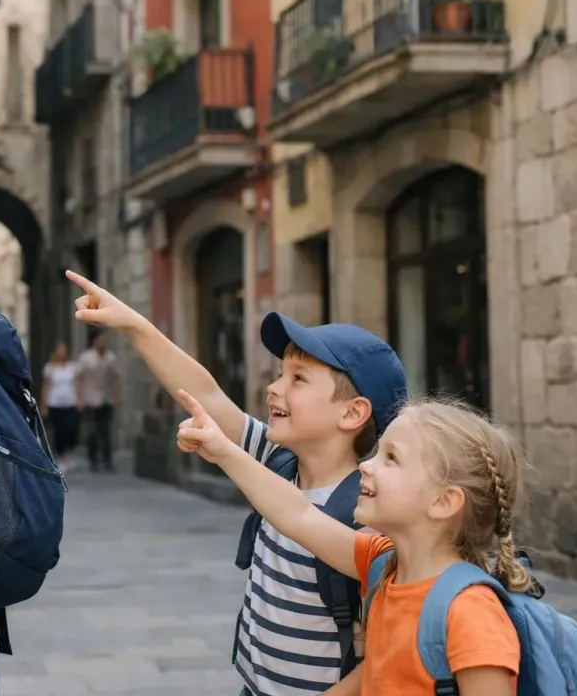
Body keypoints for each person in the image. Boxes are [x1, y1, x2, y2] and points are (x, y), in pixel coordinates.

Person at [66, 270, 407, 695]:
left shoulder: (367, 513)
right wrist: (134, 324)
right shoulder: (276, 461)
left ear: (353, 414)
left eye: (298, 379)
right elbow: (206, 395)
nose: (273, 387)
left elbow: (385, 656)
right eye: (281, 373)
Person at [175, 391, 526, 695]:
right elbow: (298, 514)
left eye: (391, 458)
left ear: (444, 502)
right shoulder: (383, 566)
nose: (366, 467)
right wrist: (224, 452)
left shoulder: (471, 613)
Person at [76, 329, 119, 472]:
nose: (102, 343)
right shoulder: (86, 358)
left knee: (106, 431)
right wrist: (80, 399)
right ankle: (93, 459)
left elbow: (114, 379)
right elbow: (79, 379)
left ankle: (107, 460)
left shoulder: (110, 358)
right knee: (92, 431)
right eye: (100, 340)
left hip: (105, 399)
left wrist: (115, 396)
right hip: (90, 399)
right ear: (94, 342)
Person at [41, 340, 81, 473]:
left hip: (70, 403)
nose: (61, 352)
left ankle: (68, 454)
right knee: (59, 431)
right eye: (59, 350)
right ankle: (61, 457)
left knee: (70, 430)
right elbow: (46, 387)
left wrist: (79, 400)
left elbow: (76, 384)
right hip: (55, 403)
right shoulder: (50, 368)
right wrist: (44, 404)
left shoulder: (72, 367)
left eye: (64, 350)